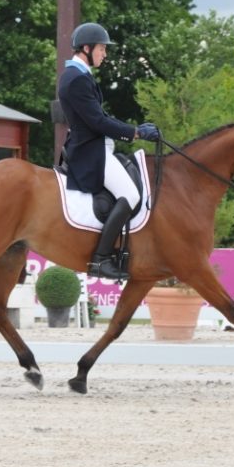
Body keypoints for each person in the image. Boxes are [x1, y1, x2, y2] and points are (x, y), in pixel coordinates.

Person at [57, 22, 161, 280]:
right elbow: (98, 122)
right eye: (102, 49)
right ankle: (101, 259)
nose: (104, 54)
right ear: (86, 48)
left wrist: (133, 128)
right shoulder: (76, 79)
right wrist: (136, 133)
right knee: (131, 194)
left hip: (96, 147)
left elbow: (100, 116)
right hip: (90, 152)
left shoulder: (80, 76)